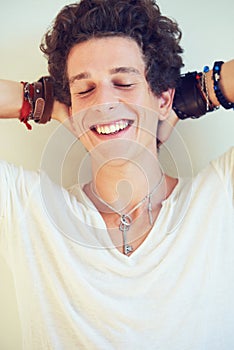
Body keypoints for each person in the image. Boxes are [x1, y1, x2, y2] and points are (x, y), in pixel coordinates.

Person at [0, 0, 233, 348]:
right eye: (84, 90)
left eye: (123, 83)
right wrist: (38, 100)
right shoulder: (27, 209)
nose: (102, 103)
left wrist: (198, 94)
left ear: (163, 100)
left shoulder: (221, 197)